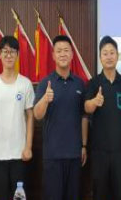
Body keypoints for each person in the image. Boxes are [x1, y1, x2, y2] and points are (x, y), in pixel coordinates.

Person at [0, 36, 34, 200]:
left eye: (12, 52)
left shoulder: (25, 84)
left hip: (20, 154)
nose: (9, 55)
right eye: (5, 52)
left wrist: (28, 147)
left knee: (19, 198)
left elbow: (30, 116)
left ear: (18, 55)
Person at [34, 34, 89, 200]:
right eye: (59, 51)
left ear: (72, 54)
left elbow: (84, 116)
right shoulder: (45, 83)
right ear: (53, 55)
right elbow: (37, 115)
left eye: (66, 50)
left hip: (74, 154)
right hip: (53, 155)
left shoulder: (80, 83)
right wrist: (45, 99)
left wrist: (83, 145)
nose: (63, 54)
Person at [84, 35, 121, 200]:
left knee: (120, 193)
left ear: (117, 55)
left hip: (120, 151)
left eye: (112, 53)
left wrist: (118, 129)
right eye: (105, 53)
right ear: (100, 57)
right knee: (99, 193)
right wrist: (94, 102)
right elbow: (86, 107)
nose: (109, 56)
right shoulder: (94, 83)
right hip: (99, 151)